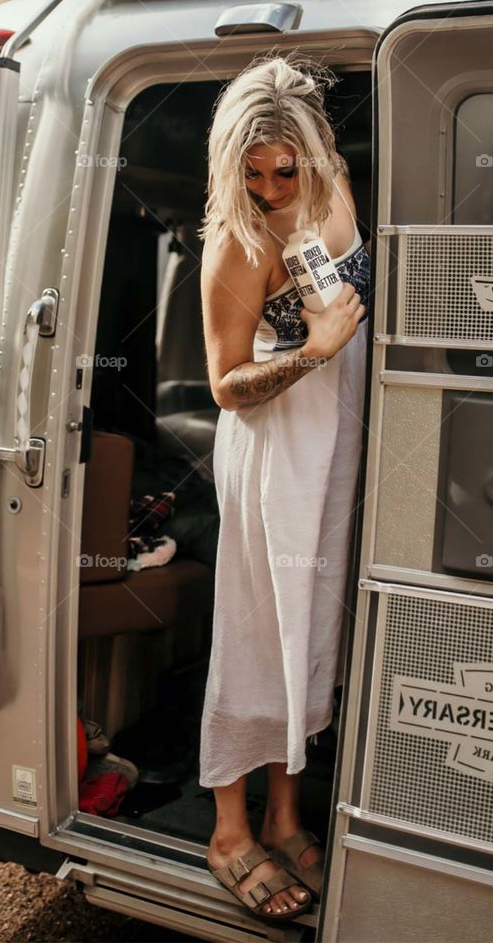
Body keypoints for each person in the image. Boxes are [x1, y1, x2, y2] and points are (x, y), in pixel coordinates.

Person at [197, 54, 370, 922]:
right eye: (250, 169)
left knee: (307, 631)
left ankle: (286, 811)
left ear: (317, 151)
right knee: (255, 634)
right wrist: (313, 351)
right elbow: (225, 383)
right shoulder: (238, 238)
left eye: (283, 167)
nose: (267, 186)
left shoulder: (336, 198)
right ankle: (230, 832)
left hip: (333, 444)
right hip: (272, 452)